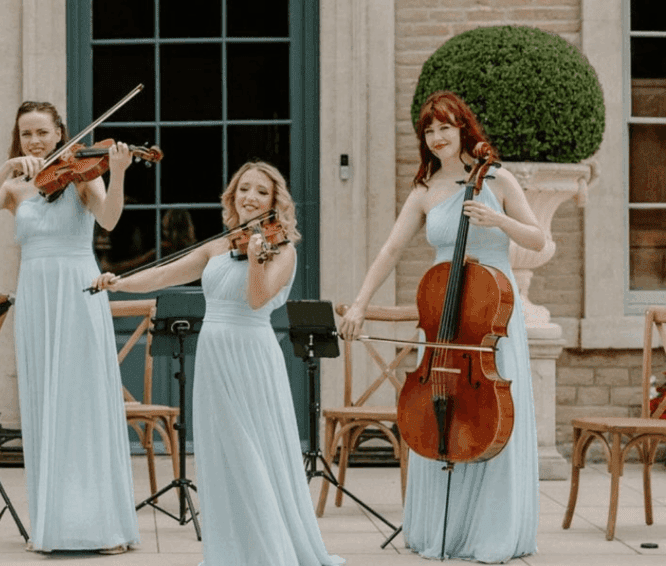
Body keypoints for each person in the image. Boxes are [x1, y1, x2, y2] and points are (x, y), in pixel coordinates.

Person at [91, 161, 345, 566]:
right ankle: (233, 552)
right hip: (214, 356)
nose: (251, 197)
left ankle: (269, 553)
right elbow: (163, 275)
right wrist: (118, 282)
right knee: (223, 453)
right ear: (233, 196)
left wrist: (259, 261)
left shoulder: (284, 250)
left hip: (252, 356)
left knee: (252, 452)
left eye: (262, 192)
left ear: (275, 201)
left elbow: (258, 300)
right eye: (244, 189)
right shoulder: (219, 246)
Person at [338, 90, 543, 563]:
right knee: (440, 410)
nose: (436, 138)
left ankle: (491, 531)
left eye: (444, 128)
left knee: (493, 410)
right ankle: (443, 530)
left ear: (463, 128)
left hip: (492, 316)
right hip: (446, 320)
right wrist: (361, 305)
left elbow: (538, 237)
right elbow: (390, 250)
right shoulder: (425, 189)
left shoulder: (498, 179)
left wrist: (496, 219)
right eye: (428, 131)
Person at [0, 101, 140, 554]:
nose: (35, 141)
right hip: (37, 298)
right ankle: (54, 525)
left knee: (82, 404)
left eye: (43, 132)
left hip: (77, 293)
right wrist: (7, 165)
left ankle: (102, 527)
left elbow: (108, 219)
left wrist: (118, 172)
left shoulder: (83, 175)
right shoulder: (19, 186)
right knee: (46, 407)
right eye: (26, 134)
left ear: (61, 132)